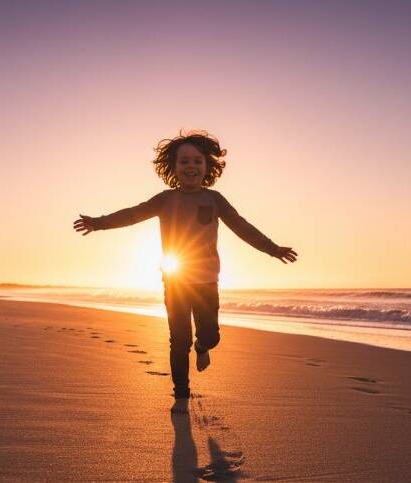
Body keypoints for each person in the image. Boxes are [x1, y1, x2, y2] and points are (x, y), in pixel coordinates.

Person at [73, 130, 297, 399]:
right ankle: (181, 393)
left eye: (197, 161)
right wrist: (98, 223)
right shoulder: (165, 199)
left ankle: (203, 348)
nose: (191, 166)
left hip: (206, 282)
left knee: (211, 336)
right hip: (175, 279)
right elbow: (132, 214)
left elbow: (242, 227)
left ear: (207, 166)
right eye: (184, 162)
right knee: (179, 341)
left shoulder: (215, 199)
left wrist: (272, 249)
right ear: (174, 168)